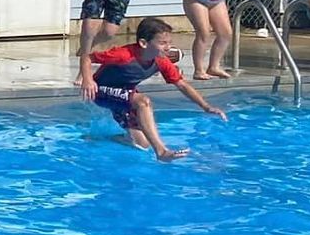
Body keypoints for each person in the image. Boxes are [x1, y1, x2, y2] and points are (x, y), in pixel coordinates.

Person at [80, 16, 226, 161]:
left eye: (169, 43)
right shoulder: (124, 55)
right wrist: (87, 80)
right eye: (162, 43)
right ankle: (161, 151)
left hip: (124, 96)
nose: (168, 47)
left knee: (141, 144)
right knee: (143, 102)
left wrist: (206, 107)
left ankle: (102, 139)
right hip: (100, 91)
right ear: (143, 43)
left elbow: (182, 85)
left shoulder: (161, 61)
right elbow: (87, 57)